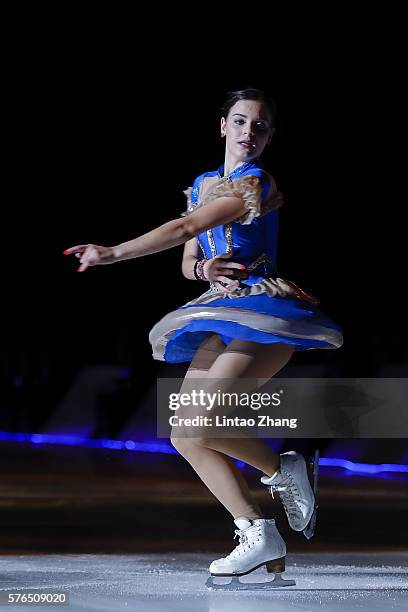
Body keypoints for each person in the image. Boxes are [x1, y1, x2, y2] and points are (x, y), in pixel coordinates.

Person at [63, 88, 343, 583]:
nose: (248, 133)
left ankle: (282, 469)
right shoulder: (201, 184)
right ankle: (259, 531)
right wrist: (204, 267)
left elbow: (187, 224)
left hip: (265, 311)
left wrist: (112, 253)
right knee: (185, 434)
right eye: (239, 122)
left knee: (206, 417)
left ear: (270, 134)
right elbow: (190, 257)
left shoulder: (257, 180)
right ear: (222, 126)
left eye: (259, 125)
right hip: (217, 310)